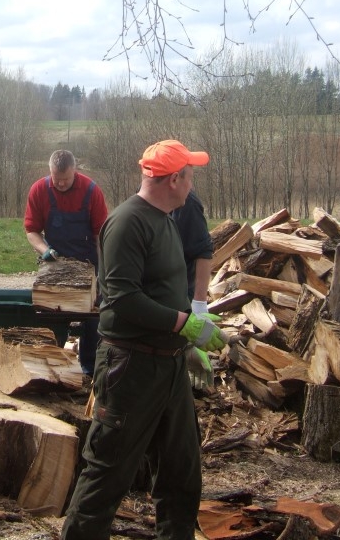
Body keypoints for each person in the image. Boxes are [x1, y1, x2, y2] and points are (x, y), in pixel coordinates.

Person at [60, 140, 226, 540]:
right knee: (108, 473)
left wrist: (185, 344)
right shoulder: (127, 222)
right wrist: (184, 323)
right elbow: (122, 298)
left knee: (181, 473)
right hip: (130, 368)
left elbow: (165, 289)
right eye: (189, 176)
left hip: (168, 367)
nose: (192, 185)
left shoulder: (167, 218)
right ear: (173, 179)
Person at [24, 149, 108, 381]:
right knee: (51, 313)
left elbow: (102, 235)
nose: (60, 184)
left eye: (66, 179)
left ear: (75, 171)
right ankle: (53, 368)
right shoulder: (39, 190)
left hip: (88, 260)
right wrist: (44, 250)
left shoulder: (91, 191)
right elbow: (32, 231)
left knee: (93, 315)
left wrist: (101, 272)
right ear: (49, 171)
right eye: (56, 178)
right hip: (55, 262)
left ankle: (88, 369)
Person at [171, 189, 216, 388]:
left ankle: (194, 392)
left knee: (186, 342)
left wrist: (199, 304)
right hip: (158, 291)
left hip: (182, 288)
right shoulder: (143, 202)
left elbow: (204, 252)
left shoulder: (187, 203)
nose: (188, 184)